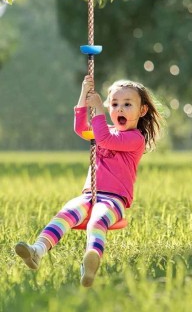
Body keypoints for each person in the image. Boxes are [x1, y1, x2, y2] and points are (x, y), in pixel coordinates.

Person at [15, 75, 163, 287]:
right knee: (66, 213)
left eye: (127, 104)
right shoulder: (106, 131)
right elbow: (80, 128)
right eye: (114, 104)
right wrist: (84, 94)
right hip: (88, 195)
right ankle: (37, 250)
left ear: (142, 111)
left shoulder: (135, 139)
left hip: (114, 200)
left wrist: (100, 112)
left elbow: (104, 140)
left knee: (97, 220)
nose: (119, 109)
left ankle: (90, 261)